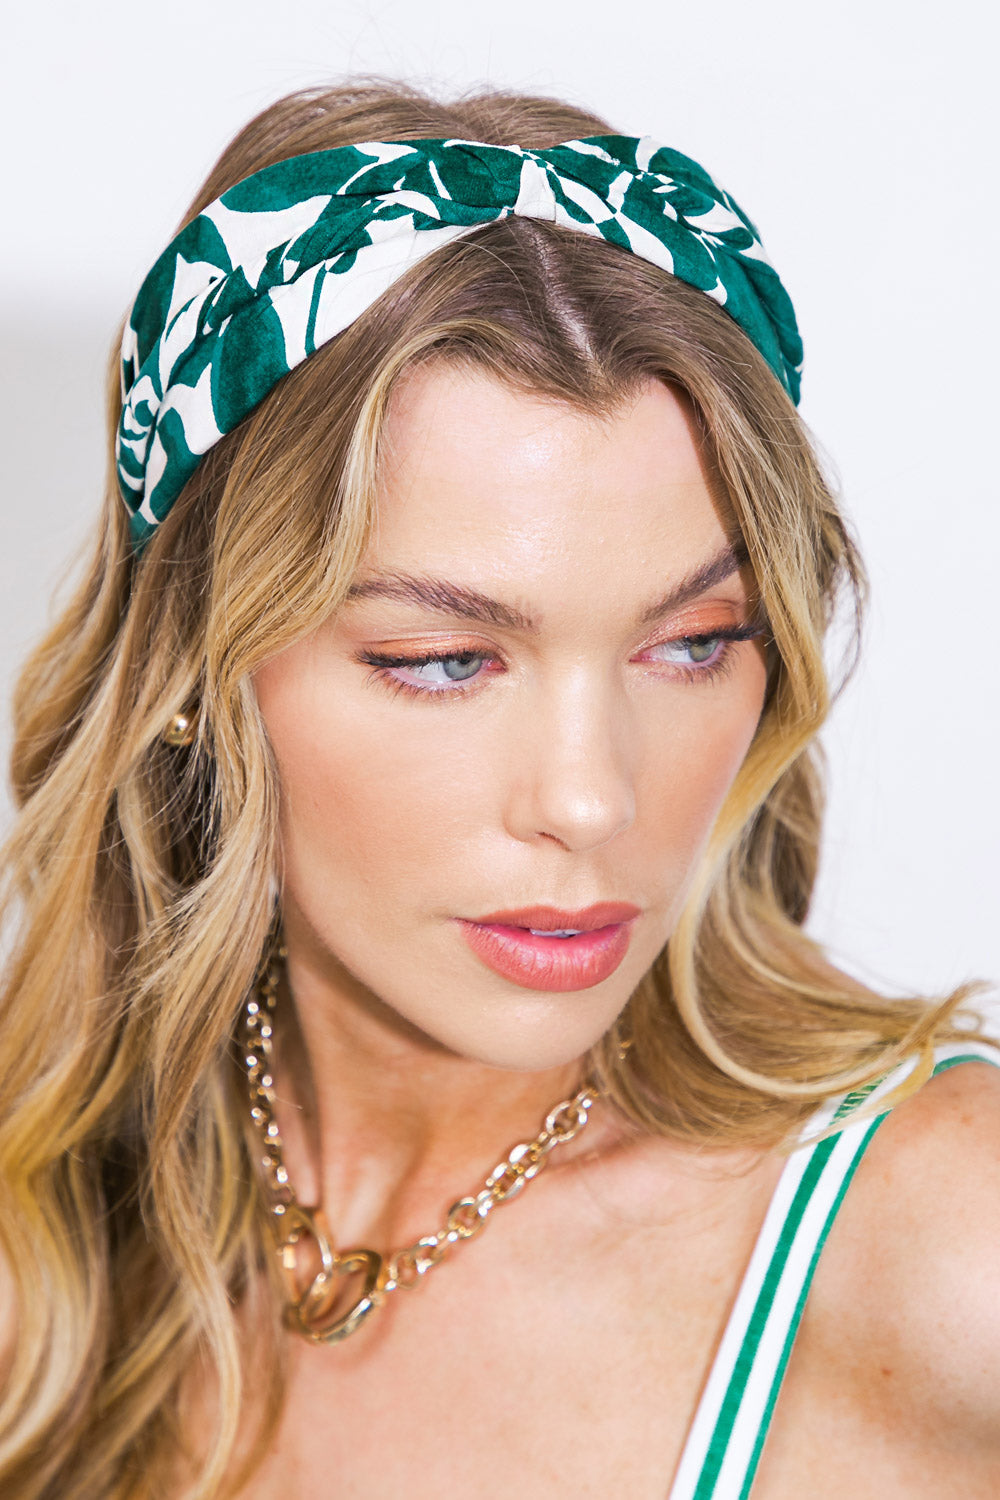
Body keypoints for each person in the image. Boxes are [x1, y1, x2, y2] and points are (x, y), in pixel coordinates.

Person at [1, 74, 998, 1500]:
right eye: (446, 659)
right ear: (190, 676)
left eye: (695, 644)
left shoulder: (948, 1257)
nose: (591, 802)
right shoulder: (53, 1249)